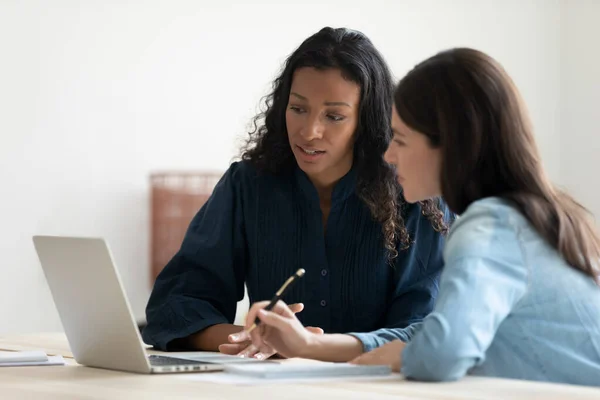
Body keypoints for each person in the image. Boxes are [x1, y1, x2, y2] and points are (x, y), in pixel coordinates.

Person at [245, 48, 600, 386]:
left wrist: (400, 356)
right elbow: (437, 334)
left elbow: (440, 354)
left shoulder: (489, 226)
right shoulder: (526, 218)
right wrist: (309, 346)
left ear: (449, 144)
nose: (388, 154)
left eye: (400, 139)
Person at [142, 27, 451, 361]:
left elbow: (424, 330)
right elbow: (173, 306)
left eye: (334, 116)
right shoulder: (247, 185)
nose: (309, 132)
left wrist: (311, 347)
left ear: (367, 122)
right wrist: (256, 339)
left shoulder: (417, 195)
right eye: (298, 109)